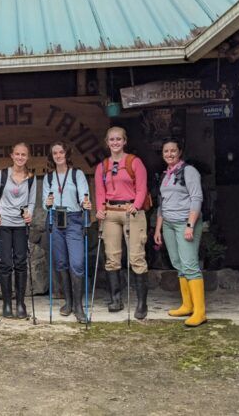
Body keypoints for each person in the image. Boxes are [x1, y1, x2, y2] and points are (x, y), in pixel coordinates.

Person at [94, 127, 149, 319]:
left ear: (125, 141)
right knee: (112, 257)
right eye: (112, 139)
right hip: (111, 212)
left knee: (136, 257)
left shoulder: (134, 162)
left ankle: (142, 303)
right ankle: (116, 298)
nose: (115, 142)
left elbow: (142, 187)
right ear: (107, 142)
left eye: (119, 139)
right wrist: (100, 208)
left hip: (131, 211)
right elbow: (100, 192)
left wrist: (136, 204)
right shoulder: (102, 166)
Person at [153, 138, 206, 327]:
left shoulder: (189, 171)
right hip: (168, 223)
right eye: (166, 151)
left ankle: (200, 312)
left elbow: (196, 198)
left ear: (180, 152)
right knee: (178, 263)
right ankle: (187, 305)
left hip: (185, 222)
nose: (169, 154)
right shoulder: (166, 174)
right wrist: (158, 228)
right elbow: (162, 203)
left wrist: (190, 225)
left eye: (173, 151)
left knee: (190, 264)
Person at [42, 142, 92, 324]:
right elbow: (44, 204)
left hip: (74, 219)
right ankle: (68, 302)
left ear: (66, 154)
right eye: (54, 153)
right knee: (61, 262)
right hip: (56, 220)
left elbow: (84, 196)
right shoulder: (48, 178)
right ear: (51, 156)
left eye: (61, 152)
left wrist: (85, 204)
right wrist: (47, 203)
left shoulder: (76, 174)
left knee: (77, 262)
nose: (58, 155)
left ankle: (79, 306)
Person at [0, 142, 36, 319]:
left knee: (21, 263)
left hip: (21, 224)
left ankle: (20, 303)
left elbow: (31, 201)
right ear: (12, 155)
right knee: (6, 263)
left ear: (28, 157)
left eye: (24, 155)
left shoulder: (31, 177)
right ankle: (7, 303)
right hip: (4, 223)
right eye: (17, 154)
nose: (20, 157)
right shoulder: (1, 175)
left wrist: (29, 214)